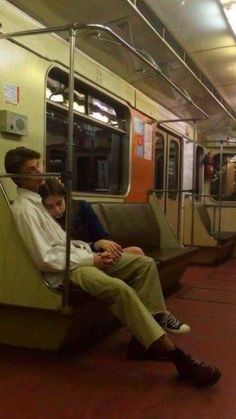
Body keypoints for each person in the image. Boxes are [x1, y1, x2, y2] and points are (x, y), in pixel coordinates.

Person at [4, 146, 221, 387]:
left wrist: (92, 249)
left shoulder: (37, 202)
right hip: (68, 271)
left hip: (78, 258)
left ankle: (144, 338)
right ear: (17, 178)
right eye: (31, 170)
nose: (39, 172)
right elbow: (46, 258)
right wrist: (91, 260)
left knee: (144, 264)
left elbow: (60, 242)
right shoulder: (24, 209)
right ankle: (177, 357)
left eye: (39, 165)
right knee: (119, 289)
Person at [38, 178, 144, 259]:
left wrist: (102, 246)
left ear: (65, 198)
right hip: (80, 259)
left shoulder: (82, 207)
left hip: (98, 253)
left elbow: (102, 236)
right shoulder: (46, 220)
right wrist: (96, 245)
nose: (57, 210)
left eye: (59, 203)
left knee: (136, 251)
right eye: (50, 206)